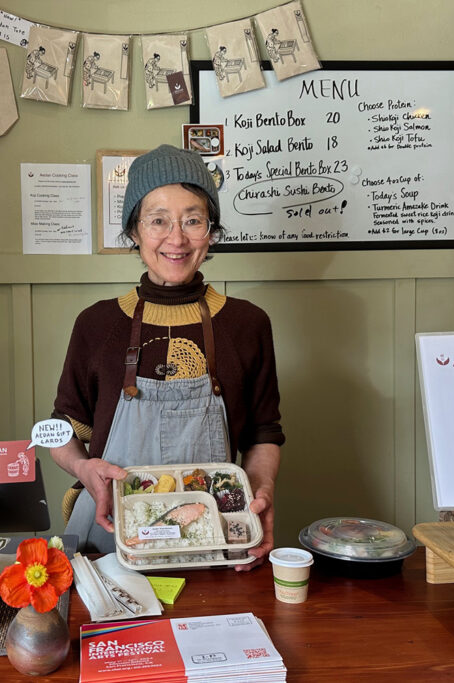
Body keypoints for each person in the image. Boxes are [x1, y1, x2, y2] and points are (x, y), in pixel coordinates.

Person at [50, 145, 283, 571]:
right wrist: (83, 469)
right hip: (114, 538)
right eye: (158, 220)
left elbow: (263, 434)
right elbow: (61, 431)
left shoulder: (247, 323)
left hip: (214, 538)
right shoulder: (97, 324)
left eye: (193, 220)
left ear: (210, 231)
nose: (176, 238)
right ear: (134, 232)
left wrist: (259, 493)